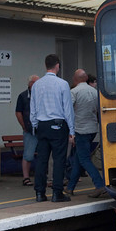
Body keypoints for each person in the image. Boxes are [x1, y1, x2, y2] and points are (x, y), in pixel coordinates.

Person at [30, 54, 74, 203]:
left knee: (42, 160)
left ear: (45, 66)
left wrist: (35, 126)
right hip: (58, 125)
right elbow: (68, 109)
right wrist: (72, 131)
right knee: (59, 159)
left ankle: (39, 193)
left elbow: (33, 109)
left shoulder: (37, 85)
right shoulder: (63, 84)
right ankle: (57, 193)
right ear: (58, 66)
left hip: (41, 126)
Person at [65, 69, 108, 198]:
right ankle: (70, 187)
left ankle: (99, 185)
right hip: (92, 129)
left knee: (84, 159)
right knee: (79, 158)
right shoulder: (95, 92)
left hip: (80, 130)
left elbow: (69, 112)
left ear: (75, 79)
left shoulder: (74, 92)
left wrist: (70, 132)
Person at [15, 75, 40, 186]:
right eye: (35, 82)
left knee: (43, 154)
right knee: (28, 155)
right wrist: (23, 126)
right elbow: (18, 112)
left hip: (42, 129)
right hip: (30, 130)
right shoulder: (23, 96)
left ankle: (42, 176)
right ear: (30, 83)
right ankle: (26, 177)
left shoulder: (42, 95)